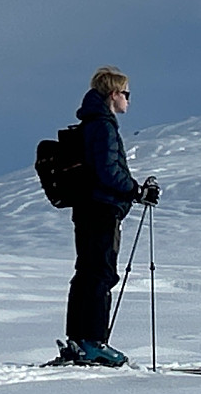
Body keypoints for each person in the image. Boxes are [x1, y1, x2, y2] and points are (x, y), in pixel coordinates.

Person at [61, 66, 160, 366]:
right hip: (101, 208)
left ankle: (79, 342)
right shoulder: (103, 126)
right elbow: (108, 171)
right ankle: (93, 343)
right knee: (101, 273)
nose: (128, 100)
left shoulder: (91, 124)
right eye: (126, 94)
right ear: (114, 94)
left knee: (87, 272)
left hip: (87, 207)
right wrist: (137, 191)